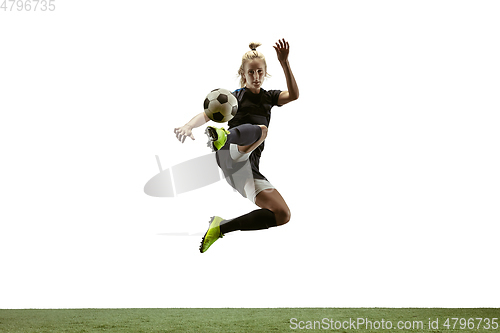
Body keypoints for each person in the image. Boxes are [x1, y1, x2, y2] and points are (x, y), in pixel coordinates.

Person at [174, 38, 299, 253]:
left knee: (282, 214)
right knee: (262, 130)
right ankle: (225, 136)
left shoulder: (269, 97)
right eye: (251, 72)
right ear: (243, 73)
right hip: (229, 152)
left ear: (265, 72)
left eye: (260, 72)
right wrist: (188, 125)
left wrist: (285, 63)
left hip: (244, 171)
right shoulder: (233, 98)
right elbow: (206, 115)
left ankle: (221, 227)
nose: (256, 77)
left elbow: (294, 95)